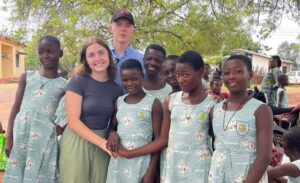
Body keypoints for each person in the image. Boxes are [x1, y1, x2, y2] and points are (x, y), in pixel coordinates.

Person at [117, 50, 216, 182]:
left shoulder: (213, 106)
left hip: (198, 166)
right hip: (172, 164)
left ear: (201, 71)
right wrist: (130, 154)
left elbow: (217, 142)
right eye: (178, 75)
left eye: (186, 75)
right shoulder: (170, 101)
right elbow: (163, 140)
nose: (180, 80)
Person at [59, 37, 123, 183]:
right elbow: (73, 121)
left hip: (102, 141)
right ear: (85, 60)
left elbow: (114, 122)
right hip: (77, 140)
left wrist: (110, 136)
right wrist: (102, 143)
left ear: (109, 55)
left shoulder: (116, 89)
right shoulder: (78, 81)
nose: (98, 58)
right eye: (91, 55)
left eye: (101, 53)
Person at [3, 35, 67, 182]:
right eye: (41, 52)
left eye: (50, 51)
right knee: (18, 171)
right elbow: (16, 106)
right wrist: (9, 138)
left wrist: (60, 128)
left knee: (41, 175)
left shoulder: (64, 84)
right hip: (21, 134)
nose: (45, 55)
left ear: (60, 53)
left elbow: (67, 112)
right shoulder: (27, 76)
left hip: (44, 140)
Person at [208, 55, 273, 183]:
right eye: (226, 73)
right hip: (218, 175)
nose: (231, 76)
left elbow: (264, 157)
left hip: (248, 177)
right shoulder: (214, 110)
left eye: (238, 71)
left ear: (250, 75)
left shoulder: (261, 110)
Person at [106, 59, 163, 183]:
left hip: (141, 162)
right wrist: (112, 133)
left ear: (142, 77)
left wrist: (150, 172)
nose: (130, 83)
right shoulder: (119, 102)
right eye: (125, 80)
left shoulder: (153, 103)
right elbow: (112, 127)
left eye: (134, 79)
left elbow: (158, 141)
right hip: (118, 162)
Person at [108, 8, 144, 86]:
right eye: (118, 24)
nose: (123, 29)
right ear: (110, 28)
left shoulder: (141, 60)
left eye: (127, 25)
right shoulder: (101, 56)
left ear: (133, 30)